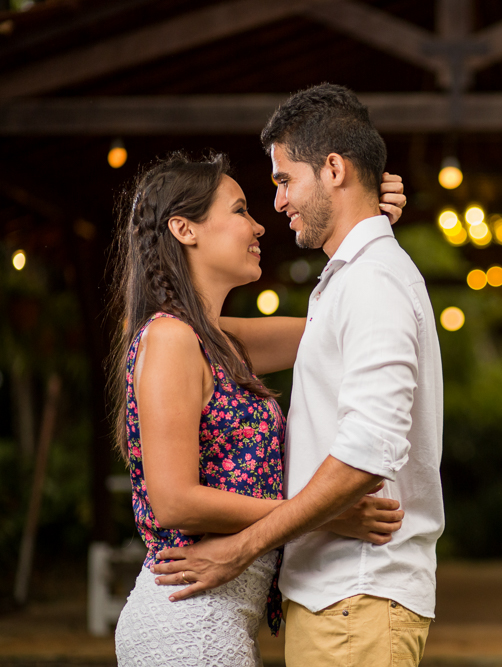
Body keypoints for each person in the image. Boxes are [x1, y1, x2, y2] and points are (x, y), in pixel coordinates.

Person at [151, 84, 445, 667]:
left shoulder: (371, 282)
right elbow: (203, 343)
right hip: (334, 601)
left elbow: (367, 454)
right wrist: (366, 226)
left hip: (356, 594)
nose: (275, 206)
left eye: (284, 180)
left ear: (333, 168)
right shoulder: (348, 283)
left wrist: (243, 547)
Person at [109, 151, 409, 666]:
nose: (259, 226)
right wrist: (325, 514)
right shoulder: (170, 338)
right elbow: (174, 501)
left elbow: (339, 325)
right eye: (241, 209)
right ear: (184, 229)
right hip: (188, 622)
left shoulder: (218, 340)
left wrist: (365, 227)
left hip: (218, 619)